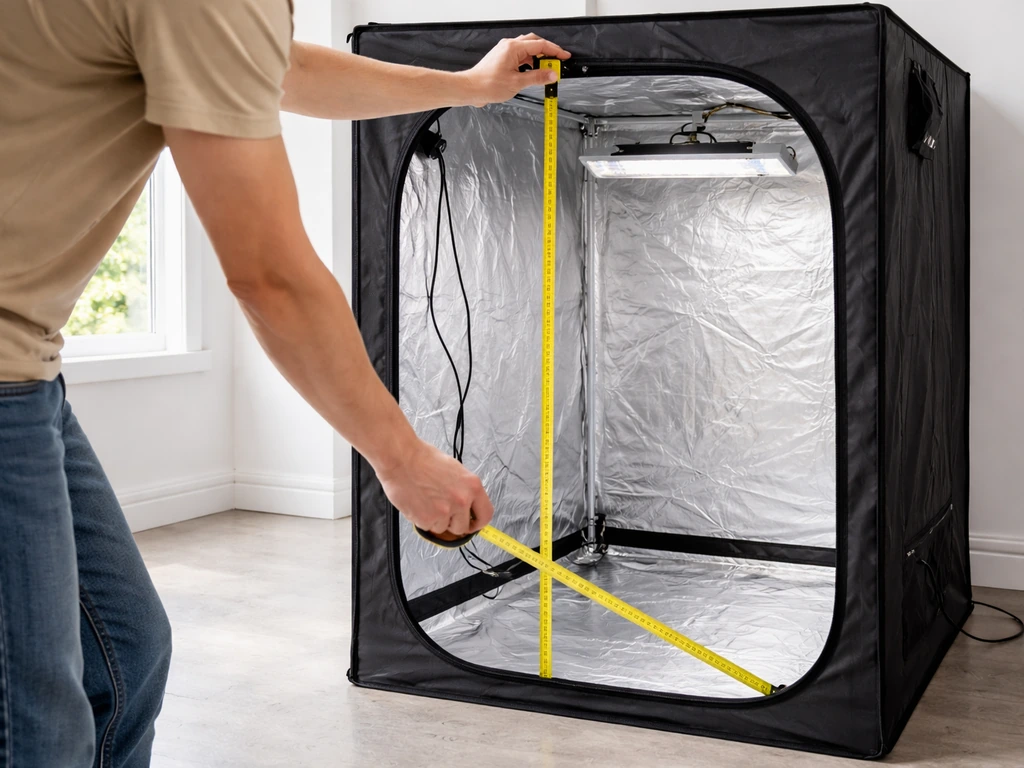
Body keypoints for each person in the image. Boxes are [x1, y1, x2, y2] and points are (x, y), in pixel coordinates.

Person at [0, 0, 570, 764]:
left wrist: (467, 86)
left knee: (122, 659)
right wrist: (403, 462)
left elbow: (281, 67)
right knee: (37, 728)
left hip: (22, 362)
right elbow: (269, 278)